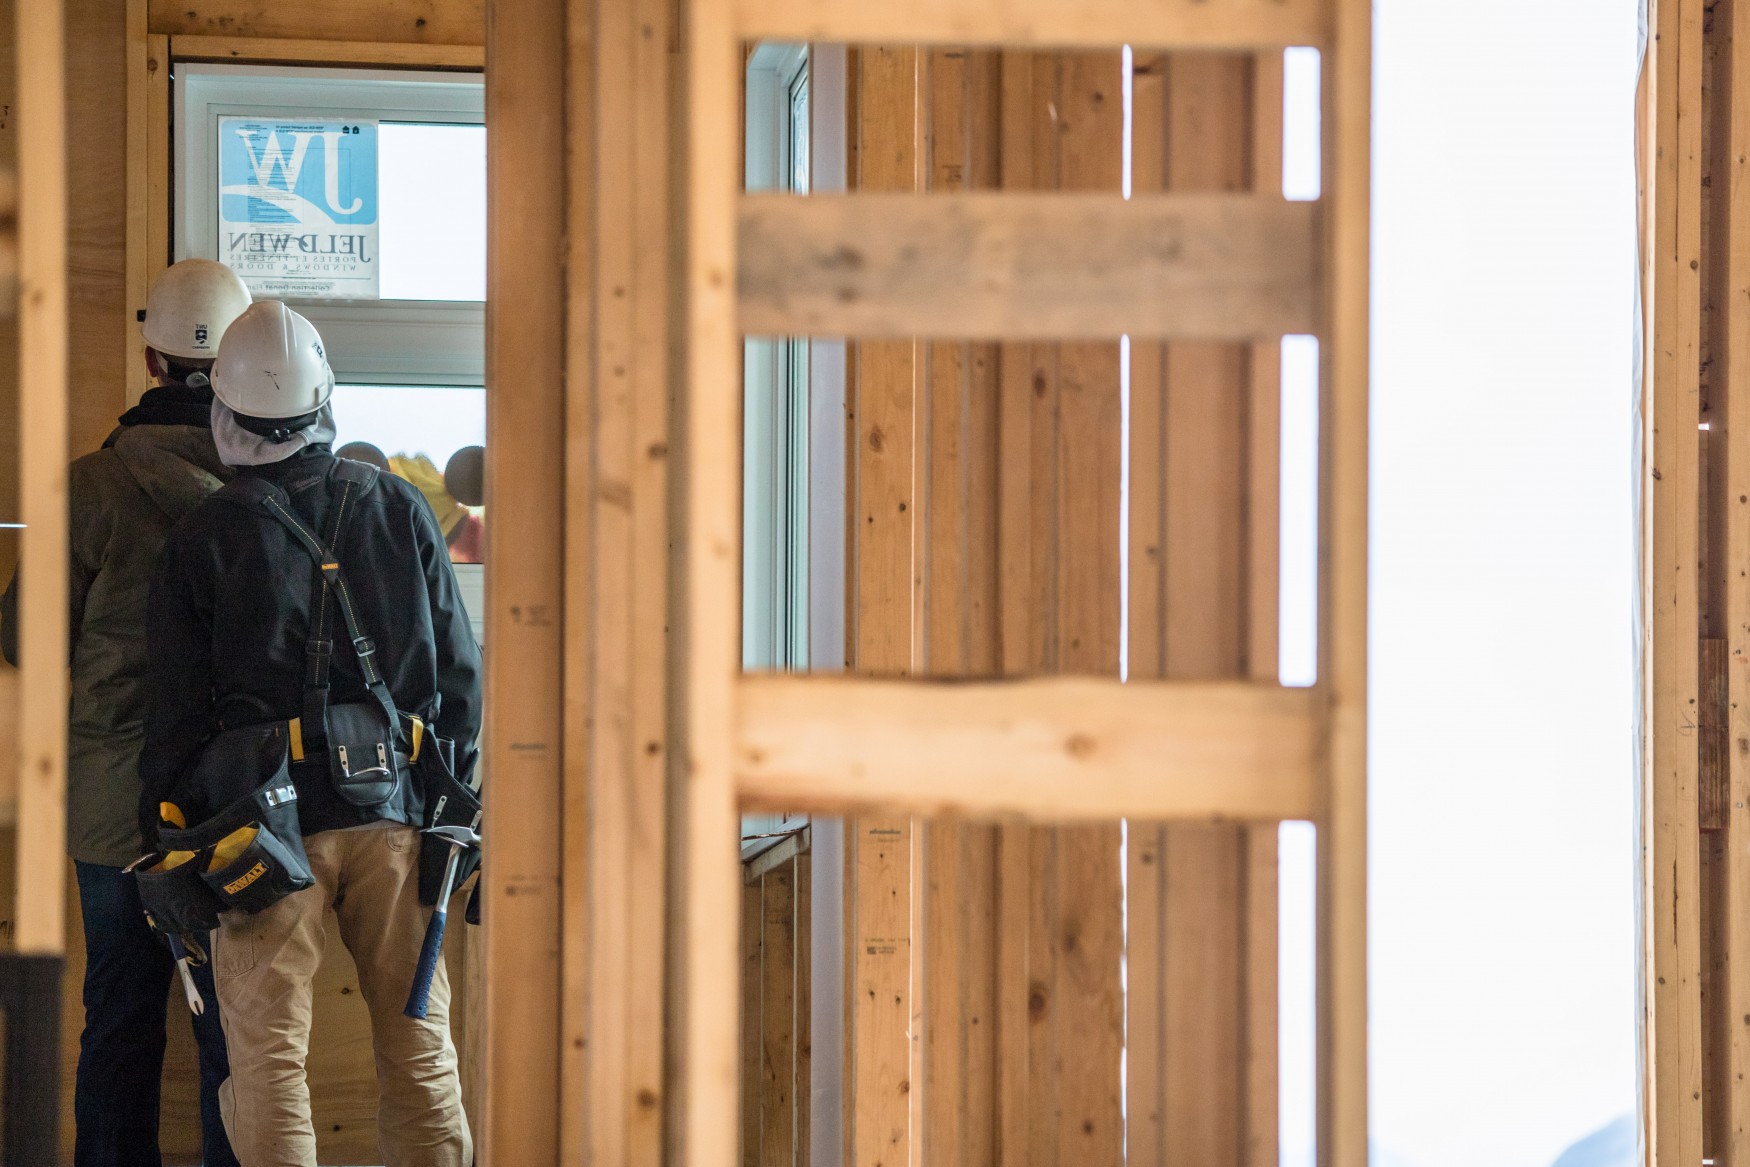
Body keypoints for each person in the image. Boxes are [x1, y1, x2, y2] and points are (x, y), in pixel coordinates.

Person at [138, 300, 482, 1166]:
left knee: (267, 1062)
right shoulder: (401, 509)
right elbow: (457, 681)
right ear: (325, 399)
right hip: (396, 813)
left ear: (225, 411)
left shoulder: (203, 538)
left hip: (262, 831)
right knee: (418, 1045)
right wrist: (455, 808)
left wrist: (169, 832)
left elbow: (176, 711)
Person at [0, 258, 250, 1167]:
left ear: (150, 359)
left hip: (113, 810)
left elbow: (28, 642)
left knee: (120, 1014)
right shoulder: (278, 488)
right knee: (240, 1028)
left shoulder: (91, 488)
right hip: (239, 805)